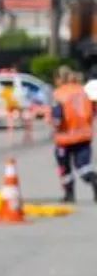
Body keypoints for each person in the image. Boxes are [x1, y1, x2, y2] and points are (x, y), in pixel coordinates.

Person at [50, 66, 96, 203]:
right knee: (84, 166)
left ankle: (69, 194)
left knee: (65, 168)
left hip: (65, 136)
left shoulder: (59, 94)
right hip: (84, 135)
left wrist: (54, 125)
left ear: (59, 79)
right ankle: (94, 181)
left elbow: (57, 117)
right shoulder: (82, 91)